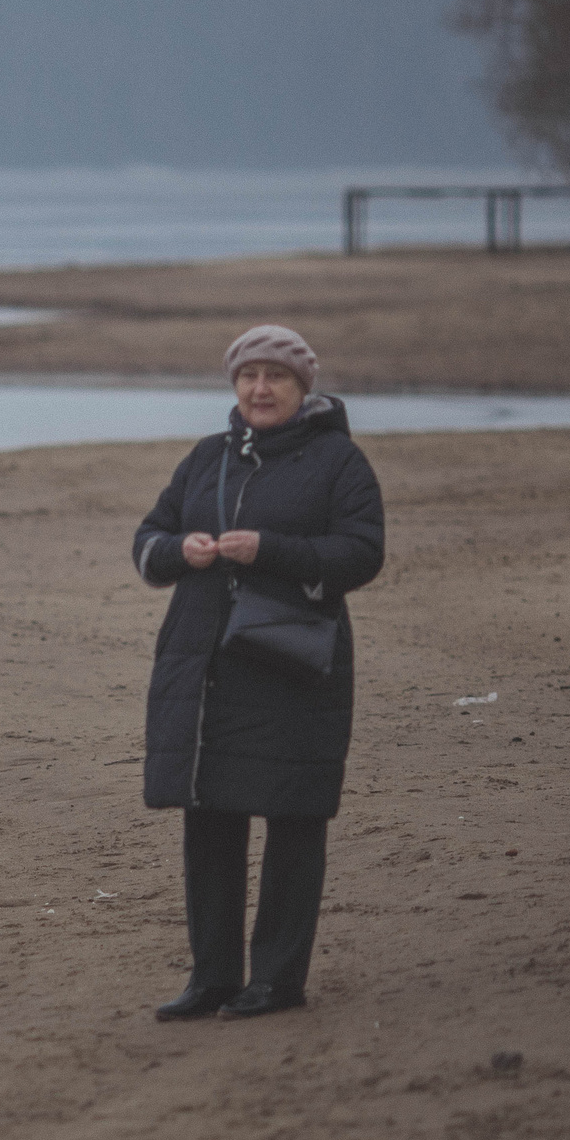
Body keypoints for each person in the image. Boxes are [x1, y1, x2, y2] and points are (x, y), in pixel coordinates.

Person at [133, 326, 385, 1021]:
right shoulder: (206, 458)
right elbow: (147, 541)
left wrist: (269, 549)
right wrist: (181, 548)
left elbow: (363, 553)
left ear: (304, 388)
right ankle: (212, 977)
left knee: (294, 814)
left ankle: (277, 979)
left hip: (296, 666)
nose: (261, 388)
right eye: (249, 375)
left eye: (277, 375)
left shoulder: (339, 460)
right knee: (208, 816)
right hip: (206, 663)